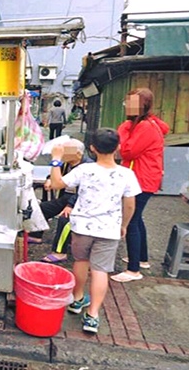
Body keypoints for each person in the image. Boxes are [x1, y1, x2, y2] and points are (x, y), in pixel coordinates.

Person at [49, 128, 141, 333]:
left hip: (81, 226)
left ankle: (77, 299)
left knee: (80, 262)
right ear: (117, 148)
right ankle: (93, 315)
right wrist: (124, 225)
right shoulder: (127, 174)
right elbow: (130, 205)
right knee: (100, 270)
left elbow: (56, 183)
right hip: (108, 229)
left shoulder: (84, 170)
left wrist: (56, 160)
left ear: (92, 148)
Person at [112, 88, 169, 283]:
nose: (127, 105)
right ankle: (142, 259)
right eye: (127, 102)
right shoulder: (145, 125)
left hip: (142, 179)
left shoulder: (144, 127)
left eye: (131, 102)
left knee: (132, 221)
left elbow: (127, 152)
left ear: (143, 106)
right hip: (144, 177)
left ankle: (133, 270)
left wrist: (123, 130)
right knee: (138, 218)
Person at [29, 139, 94, 264]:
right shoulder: (65, 163)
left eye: (66, 150)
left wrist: (70, 206)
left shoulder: (87, 167)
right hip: (65, 197)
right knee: (42, 207)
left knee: (65, 219)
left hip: (78, 201)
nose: (62, 153)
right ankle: (36, 235)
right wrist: (49, 180)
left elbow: (84, 191)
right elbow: (55, 175)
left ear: (78, 153)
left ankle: (59, 252)